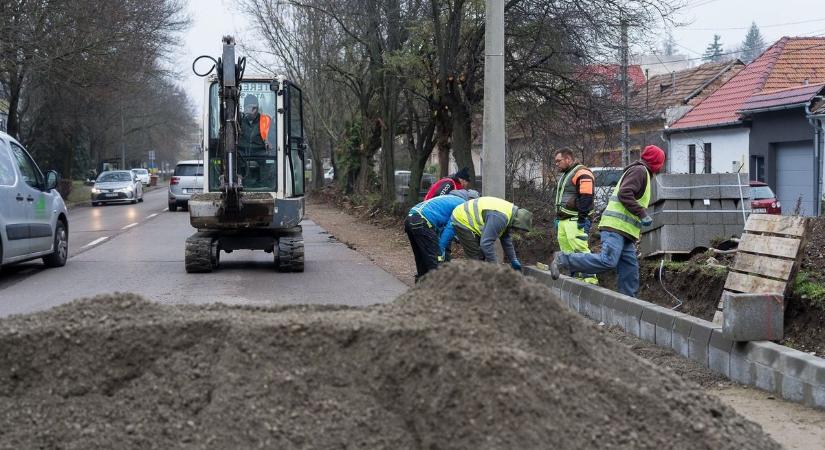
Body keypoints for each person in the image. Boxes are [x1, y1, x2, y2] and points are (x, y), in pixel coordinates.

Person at [550, 145, 666, 297]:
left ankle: (629, 303)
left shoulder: (641, 171)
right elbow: (625, 193)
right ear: (657, 162)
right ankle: (563, 259)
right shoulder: (640, 171)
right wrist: (642, 214)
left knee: (629, 270)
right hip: (615, 227)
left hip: (625, 232)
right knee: (608, 261)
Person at [405, 189, 480, 282]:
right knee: (434, 261)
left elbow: (442, 227)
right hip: (423, 221)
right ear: (471, 201)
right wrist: (440, 252)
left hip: (410, 218)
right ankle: (437, 291)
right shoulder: (462, 206)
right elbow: (448, 231)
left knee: (421, 257)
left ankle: (421, 286)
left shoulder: (450, 198)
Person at [448, 196, 533, 271]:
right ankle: (475, 285)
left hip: (470, 218)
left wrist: (513, 259)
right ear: (517, 222)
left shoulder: (509, 214)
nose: (516, 231)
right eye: (517, 229)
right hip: (462, 218)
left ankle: (482, 281)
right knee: (476, 257)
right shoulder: (500, 218)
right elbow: (486, 243)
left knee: (482, 255)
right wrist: (495, 267)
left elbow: (506, 240)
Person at [553, 148, 598, 285]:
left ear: (568, 159)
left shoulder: (582, 172)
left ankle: (590, 279)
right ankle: (576, 278)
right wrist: (558, 217)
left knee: (579, 249)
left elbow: (587, 196)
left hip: (576, 219)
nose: (556, 164)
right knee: (567, 251)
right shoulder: (567, 174)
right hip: (565, 220)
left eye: (558, 161)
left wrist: (582, 218)